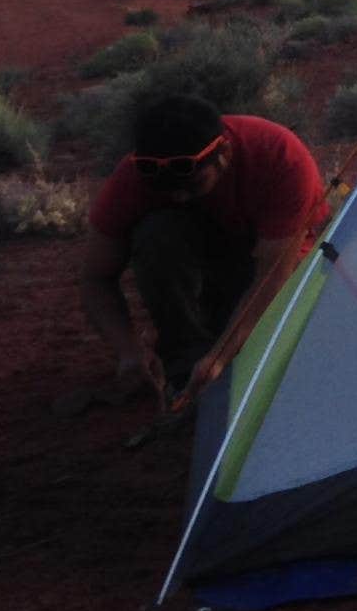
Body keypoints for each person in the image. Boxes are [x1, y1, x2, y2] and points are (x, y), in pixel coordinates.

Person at [78, 95, 327, 397]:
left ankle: (219, 356)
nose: (179, 197)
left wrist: (220, 356)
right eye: (165, 190)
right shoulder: (132, 178)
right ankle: (185, 361)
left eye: (193, 185)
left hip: (275, 262)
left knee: (268, 333)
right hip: (211, 258)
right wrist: (128, 351)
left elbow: (273, 276)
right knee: (156, 233)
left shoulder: (279, 155)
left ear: (224, 152)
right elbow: (96, 277)